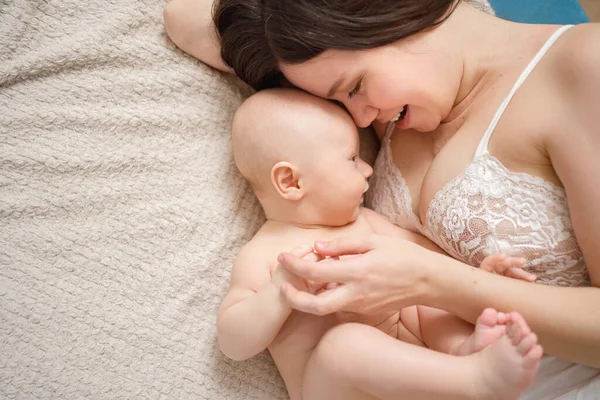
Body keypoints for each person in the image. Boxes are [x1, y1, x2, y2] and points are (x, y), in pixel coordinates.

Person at [163, 0, 600, 397]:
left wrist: (444, 283)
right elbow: (182, 18)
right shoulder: (380, 112)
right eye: (333, 98)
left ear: (387, 17)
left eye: (352, 88)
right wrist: (289, 27)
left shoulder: (582, 65)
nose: (357, 117)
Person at [220, 87, 541, 400]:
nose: (368, 168)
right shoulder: (263, 255)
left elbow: (431, 265)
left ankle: (463, 352)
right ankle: (476, 380)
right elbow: (233, 344)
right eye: (352, 158)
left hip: (417, 371)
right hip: (334, 389)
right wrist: (280, 292)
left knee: (423, 299)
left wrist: (481, 277)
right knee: (342, 346)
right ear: (291, 182)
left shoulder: (366, 223)